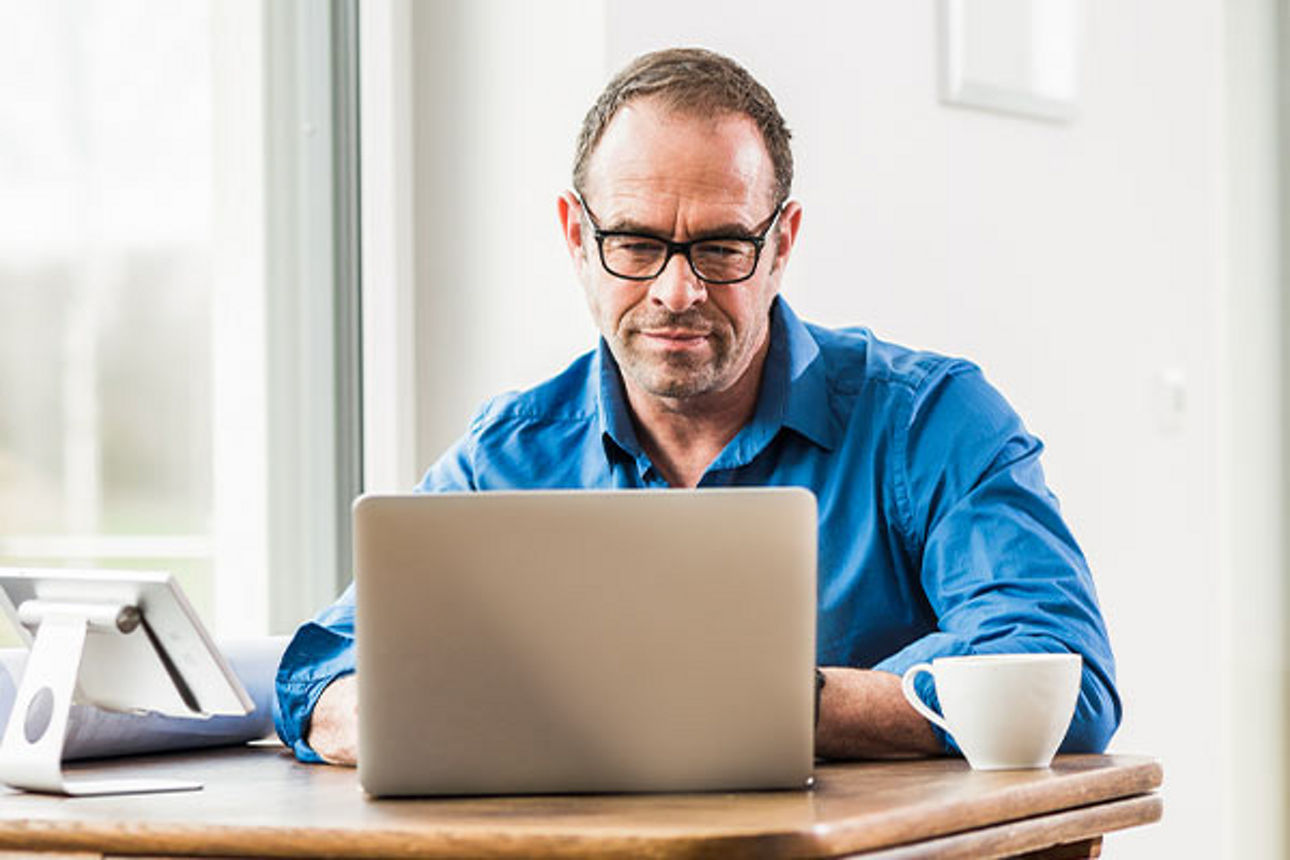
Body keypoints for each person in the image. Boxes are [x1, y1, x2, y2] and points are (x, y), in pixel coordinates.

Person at [275, 47, 1120, 767]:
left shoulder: (931, 421)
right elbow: (321, 672)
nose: (677, 291)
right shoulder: (510, 453)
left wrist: (762, 702)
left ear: (780, 244)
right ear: (577, 239)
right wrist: (403, 717)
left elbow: (1054, 668)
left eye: (720, 247)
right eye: (636, 244)